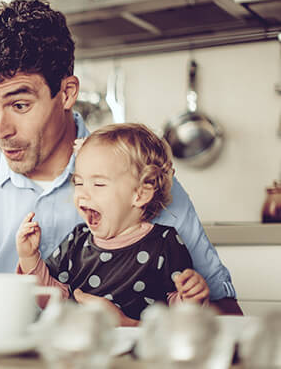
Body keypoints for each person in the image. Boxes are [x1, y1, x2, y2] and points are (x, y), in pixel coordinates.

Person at [0, 0, 241, 318]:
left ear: (68, 93)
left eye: (19, 105)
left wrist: (138, 323)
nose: (0, 129)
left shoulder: (142, 180)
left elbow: (225, 315)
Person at [16, 123, 209, 326]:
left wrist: (191, 299)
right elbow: (52, 300)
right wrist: (29, 257)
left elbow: (176, 317)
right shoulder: (76, 240)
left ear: (141, 194)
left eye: (98, 184)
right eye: (79, 183)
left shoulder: (164, 243)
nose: (82, 193)